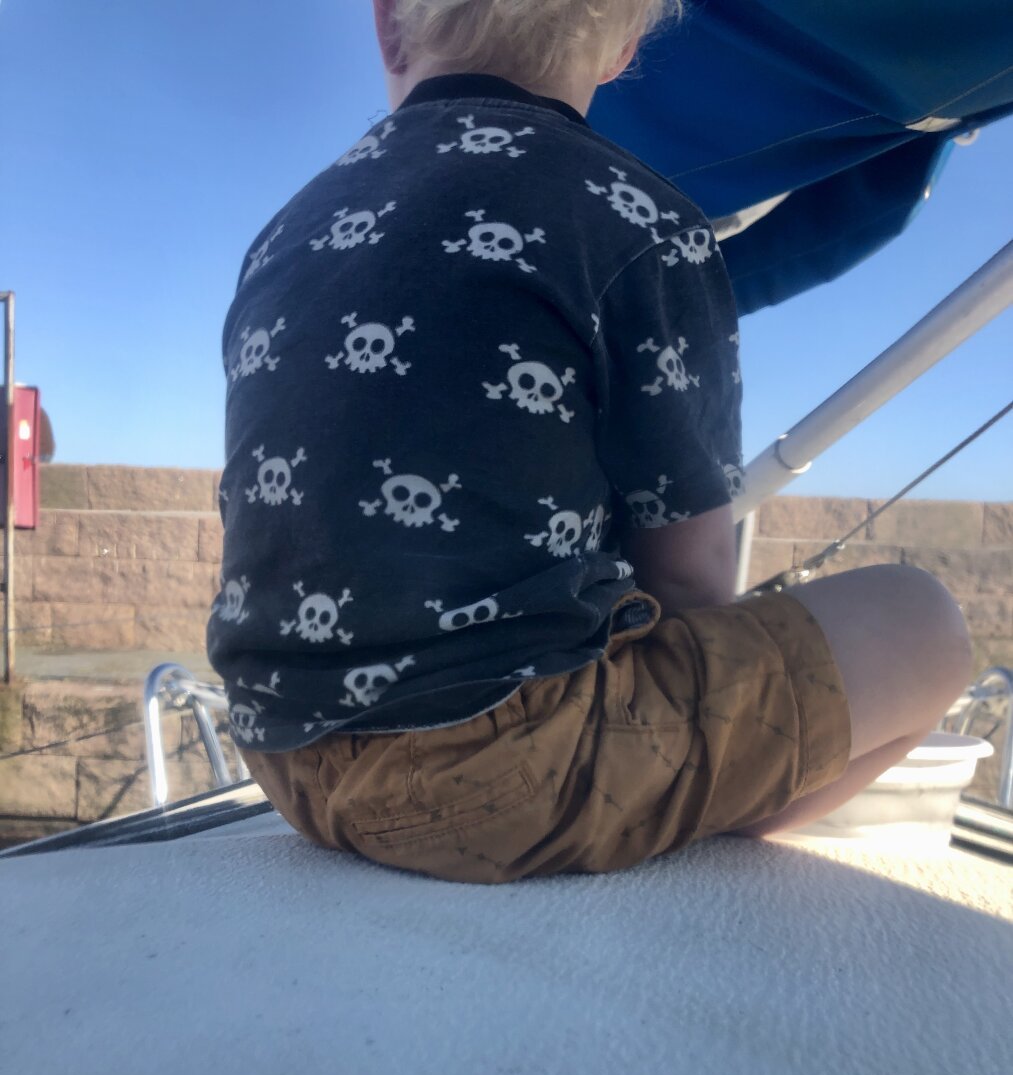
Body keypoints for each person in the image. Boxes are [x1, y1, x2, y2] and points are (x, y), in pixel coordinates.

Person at [207, 0, 972, 883]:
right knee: (924, 622)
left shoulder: (286, 233)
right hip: (501, 779)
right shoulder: (637, 216)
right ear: (623, 49)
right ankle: (714, 814)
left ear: (388, 23)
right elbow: (687, 579)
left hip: (284, 762)